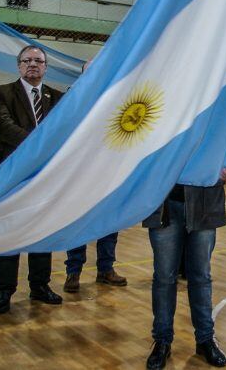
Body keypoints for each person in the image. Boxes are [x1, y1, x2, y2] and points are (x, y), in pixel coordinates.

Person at [0, 45, 64, 314]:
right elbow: (2, 126)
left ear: (45, 67)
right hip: (12, 175)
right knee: (9, 233)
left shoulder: (57, 97)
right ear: (18, 65)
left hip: (44, 177)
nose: (33, 64)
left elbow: (64, 130)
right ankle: (4, 290)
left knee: (40, 231)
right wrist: (39, 145)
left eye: (38, 61)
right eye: (27, 60)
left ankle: (40, 285)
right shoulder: (1, 93)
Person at [144, 166, 226, 369]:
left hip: (204, 202)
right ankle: (162, 341)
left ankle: (205, 339)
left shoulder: (213, 131)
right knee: (164, 278)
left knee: (201, 276)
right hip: (164, 205)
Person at [63, 59, 127, 293]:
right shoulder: (71, 101)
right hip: (79, 174)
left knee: (109, 224)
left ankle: (106, 269)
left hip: (108, 173)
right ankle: (73, 272)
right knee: (77, 224)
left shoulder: (117, 100)